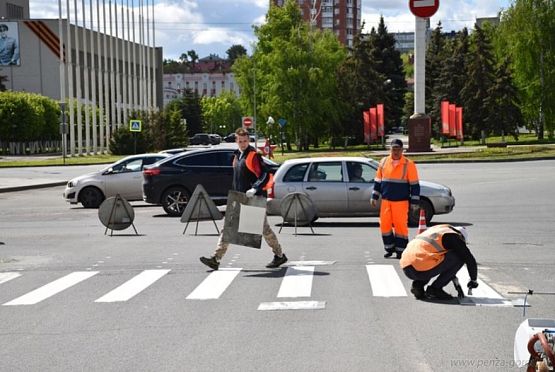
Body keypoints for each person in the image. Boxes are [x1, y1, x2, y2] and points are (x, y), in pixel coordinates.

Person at [199, 128, 287, 271]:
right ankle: (216, 258)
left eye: (245, 141)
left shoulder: (254, 156)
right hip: (239, 197)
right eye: (240, 141)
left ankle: (279, 254)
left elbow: (264, 174)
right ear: (236, 141)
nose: (243, 143)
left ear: (248, 140)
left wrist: (255, 188)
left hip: (254, 198)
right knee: (228, 227)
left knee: (264, 229)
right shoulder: (237, 156)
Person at [400, 224, 479, 300]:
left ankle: (418, 285)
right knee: (460, 257)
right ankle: (435, 289)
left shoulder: (439, 230)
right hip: (421, 268)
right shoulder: (454, 237)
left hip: (407, 267)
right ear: (461, 236)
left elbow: (444, 263)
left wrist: (455, 280)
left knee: (432, 257)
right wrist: (473, 280)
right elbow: (470, 259)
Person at [371, 138, 420, 258]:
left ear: (402, 150)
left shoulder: (409, 164)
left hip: (401, 202)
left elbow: (415, 185)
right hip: (386, 201)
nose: (396, 152)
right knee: (384, 225)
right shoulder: (383, 162)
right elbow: (378, 181)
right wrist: (374, 196)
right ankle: (389, 248)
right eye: (394, 149)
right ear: (390, 149)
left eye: (398, 149)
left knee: (401, 226)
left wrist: (414, 202)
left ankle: (401, 250)